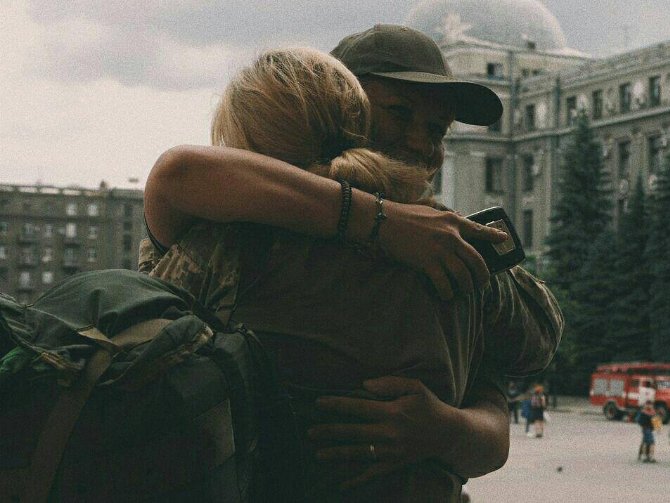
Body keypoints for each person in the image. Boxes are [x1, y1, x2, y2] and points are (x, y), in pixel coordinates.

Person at [141, 32, 563, 501]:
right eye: (399, 113)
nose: (421, 142)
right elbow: (536, 339)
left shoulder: (221, 238)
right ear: (337, 107)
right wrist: (382, 222)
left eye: (437, 129)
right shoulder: (443, 247)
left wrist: (452, 426)